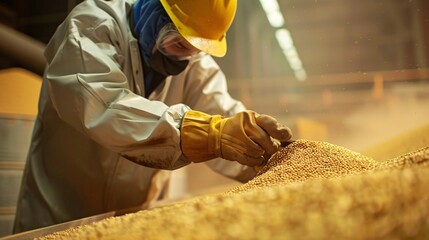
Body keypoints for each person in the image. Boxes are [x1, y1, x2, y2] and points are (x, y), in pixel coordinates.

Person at [13, 0, 292, 233]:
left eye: (197, 50)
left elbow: (223, 117)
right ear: (151, 9)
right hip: (59, 220)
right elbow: (104, 107)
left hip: (133, 220)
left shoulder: (193, 64)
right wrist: (205, 132)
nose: (186, 58)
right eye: (180, 45)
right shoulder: (91, 27)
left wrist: (272, 160)